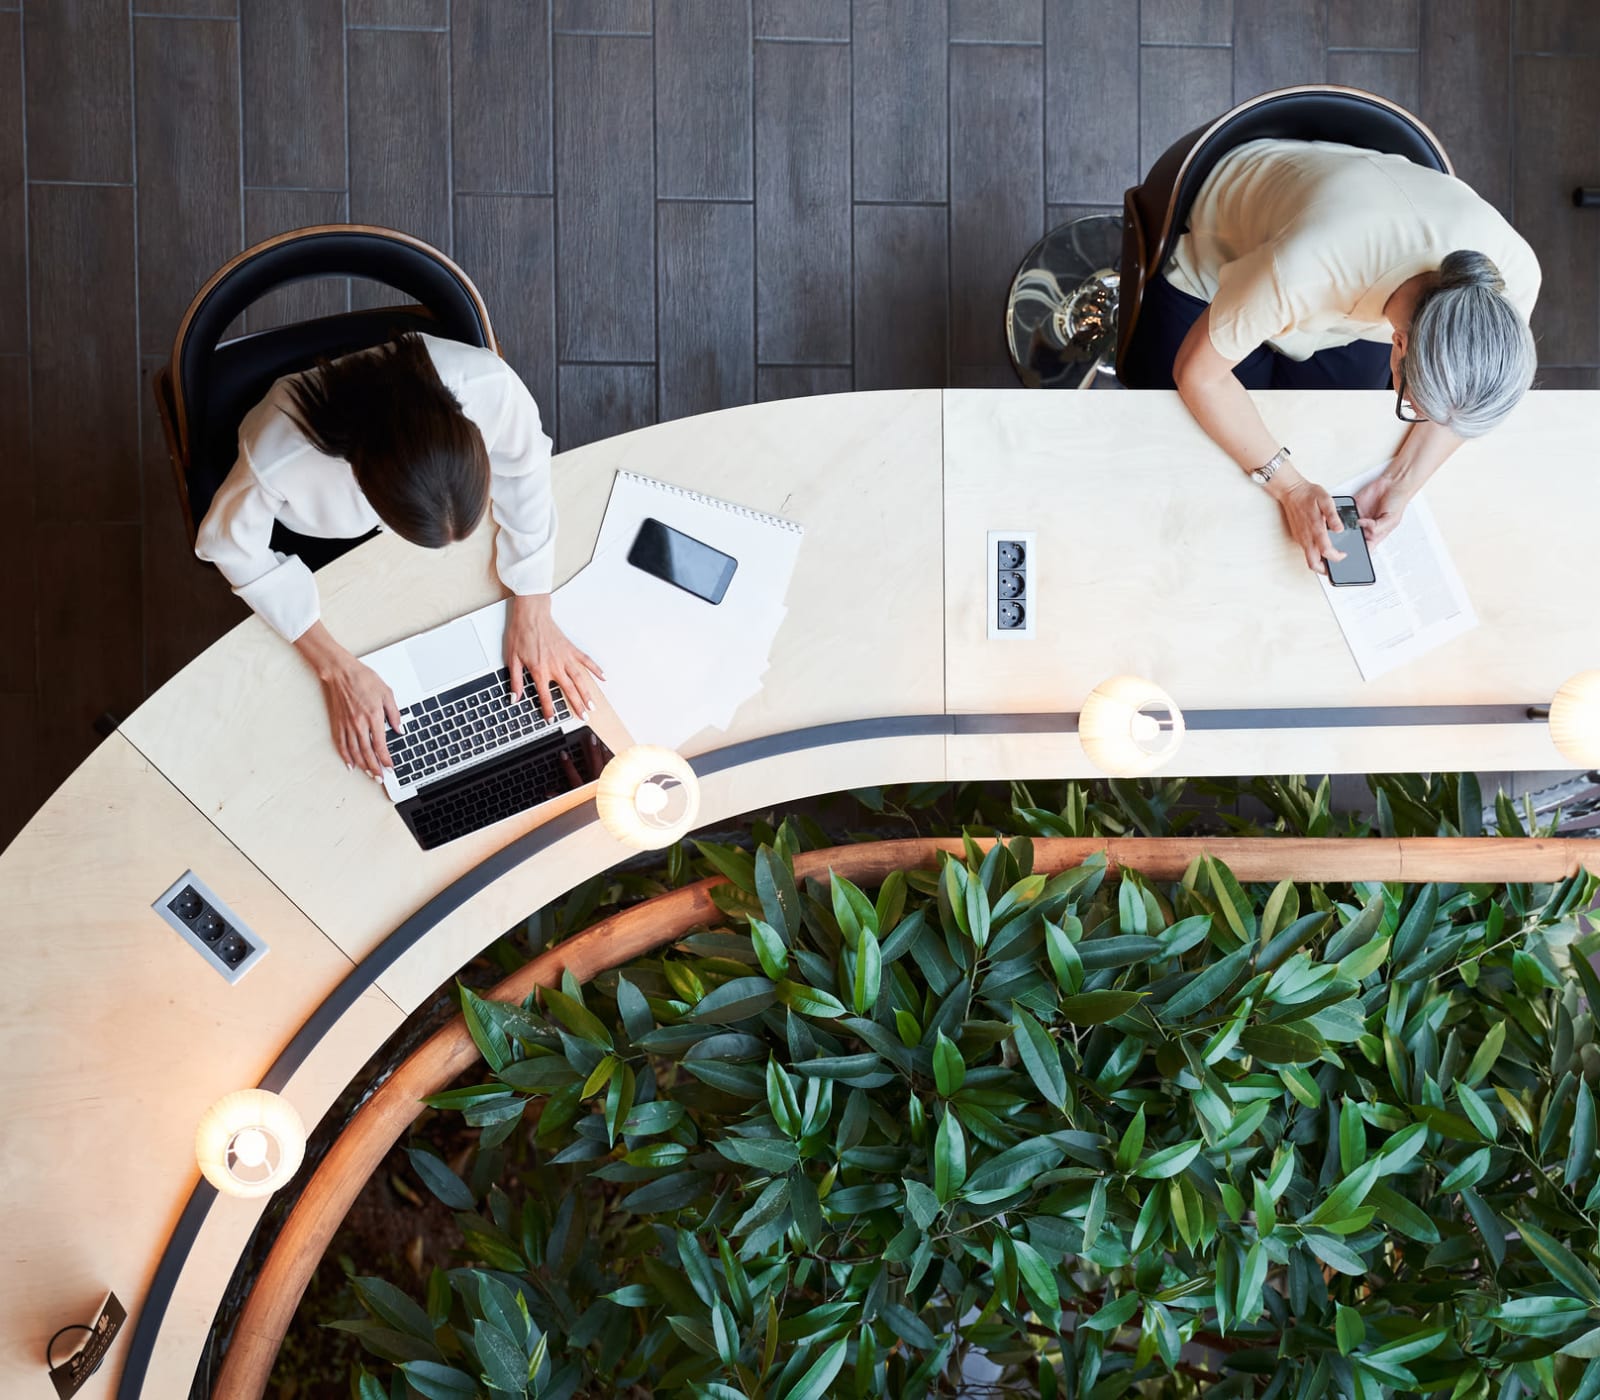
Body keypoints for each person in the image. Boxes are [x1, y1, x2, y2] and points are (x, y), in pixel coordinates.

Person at [1123, 137, 1540, 573]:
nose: (1428, 420)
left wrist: (1400, 482)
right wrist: (1291, 489)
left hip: (1335, 307)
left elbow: (1462, 408)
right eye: (1416, 406)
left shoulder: (1513, 282)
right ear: (1400, 344)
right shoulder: (1309, 266)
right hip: (1224, 263)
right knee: (1178, 435)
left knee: (1323, 433)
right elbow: (1200, 376)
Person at [196, 332, 602, 780]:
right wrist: (337, 668)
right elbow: (227, 546)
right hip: (318, 542)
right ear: (362, 483)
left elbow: (525, 467)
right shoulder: (279, 456)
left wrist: (533, 603)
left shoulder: (489, 383)